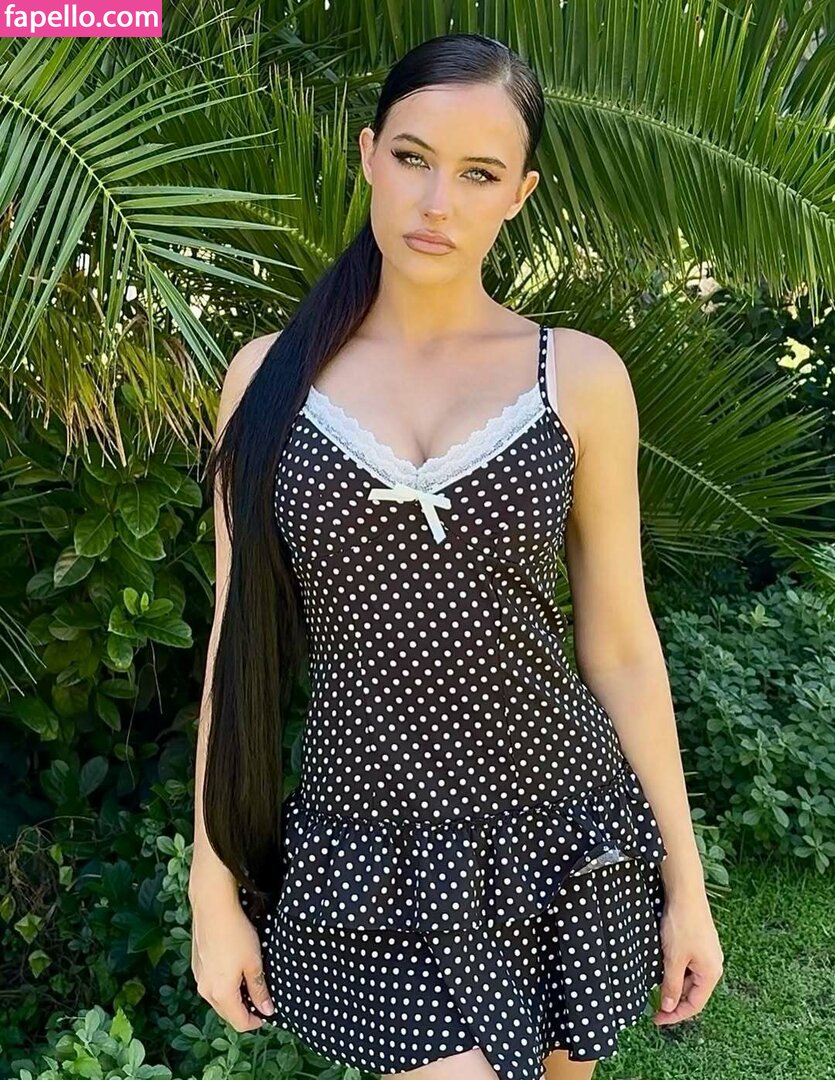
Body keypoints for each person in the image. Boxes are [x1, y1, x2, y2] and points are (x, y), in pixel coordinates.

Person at [188, 31, 724, 1080]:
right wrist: (213, 888)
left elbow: (620, 645)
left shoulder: (575, 377)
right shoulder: (266, 380)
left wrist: (685, 883)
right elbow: (232, 652)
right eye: (413, 157)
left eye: (478, 174)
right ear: (367, 155)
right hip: (368, 848)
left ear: (519, 195)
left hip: (561, 832)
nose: (437, 202)